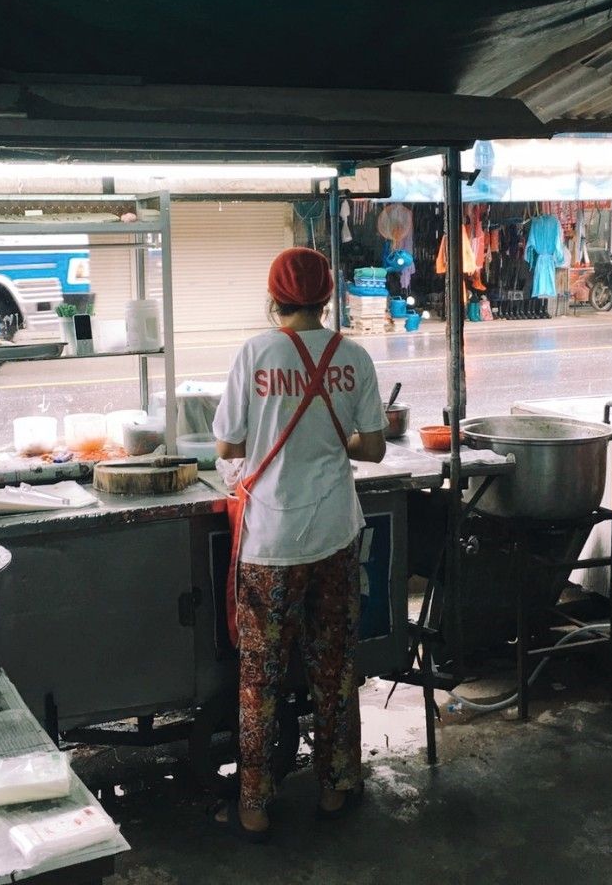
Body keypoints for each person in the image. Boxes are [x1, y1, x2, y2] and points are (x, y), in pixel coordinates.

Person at [211, 247, 387, 843]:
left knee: (260, 675)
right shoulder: (353, 356)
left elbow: (228, 447)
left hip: (271, 541)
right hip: (335, 532)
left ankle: (255, 806)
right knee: (334, 666)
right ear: (327, 297)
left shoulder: (256, 353)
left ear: (274, 298)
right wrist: (332, 444)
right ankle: (336, 786)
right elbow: (373, 448)